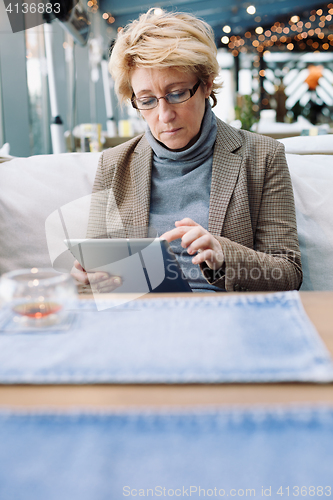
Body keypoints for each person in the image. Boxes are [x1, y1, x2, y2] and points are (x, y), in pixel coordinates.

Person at [72, 8, 302, 293]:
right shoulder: (114, 164)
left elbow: (289, 272)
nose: (164, 115)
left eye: (177, 93)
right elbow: (95, 278)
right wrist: (88, 280)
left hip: (227, 316)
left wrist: (223, 255)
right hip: (141, 316)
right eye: (147, 100)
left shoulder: (262, 157)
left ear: (206, 85)